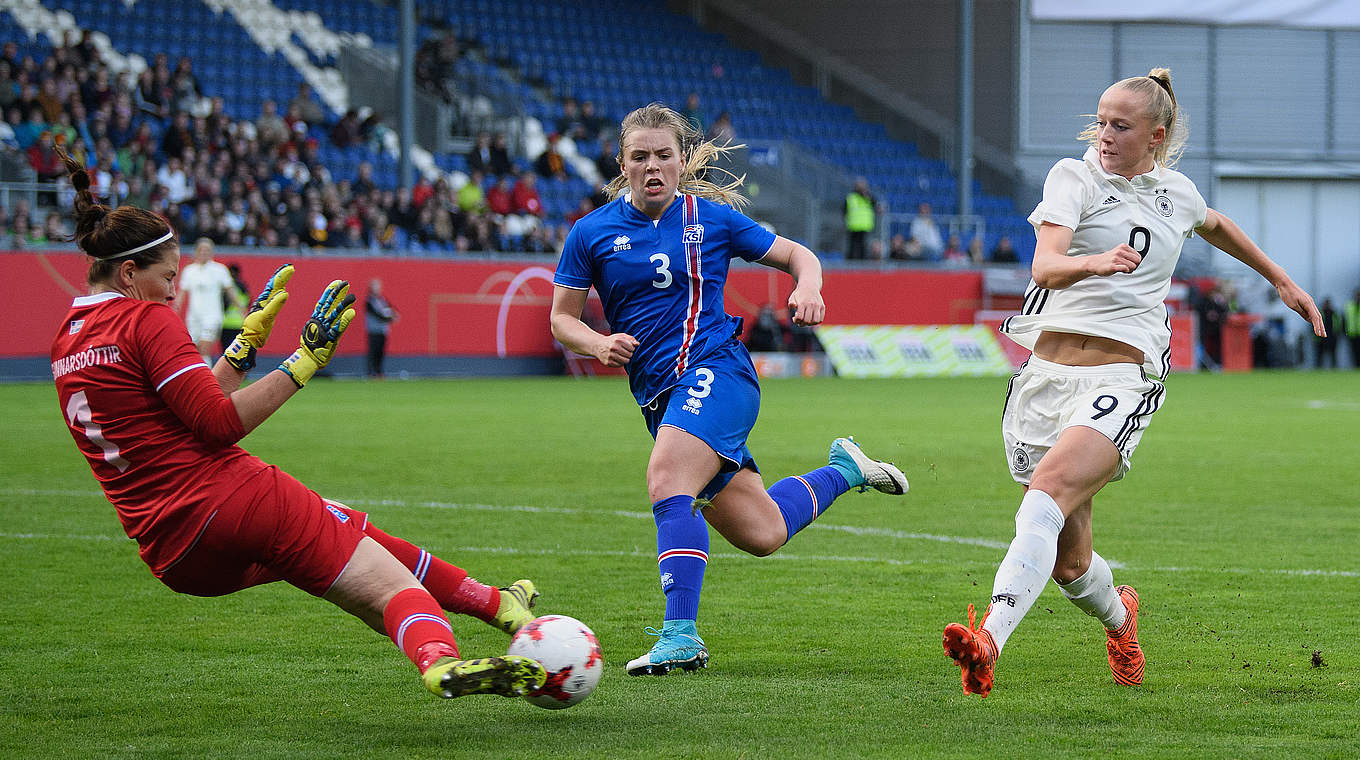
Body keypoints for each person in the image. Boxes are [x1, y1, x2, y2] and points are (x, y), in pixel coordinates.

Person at [48, 145, 546, 701]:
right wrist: (303, 361)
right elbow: (214, 424)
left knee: (353, 537)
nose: (172, 290)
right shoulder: (146, 317)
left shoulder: (67, 338)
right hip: (229, 497)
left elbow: (183, 412)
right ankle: (439, 662)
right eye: (168, 277)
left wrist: (241, 349)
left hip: (173, 552)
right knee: (391, 588)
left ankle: (499, 604)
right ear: (129, 271)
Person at [941, 68, 1325, 698]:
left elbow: (1216, 224)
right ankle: (1121, 618)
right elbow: (1045, 263)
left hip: (1123, 375)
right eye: (1101, 121)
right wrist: (1092, 262)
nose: (1105, 135)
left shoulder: (1175, 193)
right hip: (1043, 378)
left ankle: (989, 639)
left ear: (1156, 135)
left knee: (1047, 489)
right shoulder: (1075, 176)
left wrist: (1279, 278)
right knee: (1069, 562)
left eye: (1121, 125)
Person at [549, 103, 908, 677]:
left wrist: (809, 286)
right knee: (762, 532)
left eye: (664, 155)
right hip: (662, 398)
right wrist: (595, 343)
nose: (652, 167)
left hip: (718, 372)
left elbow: (797, 255)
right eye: (639, 157)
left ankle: (680, 634)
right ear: (622, 163)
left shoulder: (710, 219)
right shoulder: (591, 232)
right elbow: (561, 319)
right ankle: (847, 470)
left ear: (683, 160)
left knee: (667, 479)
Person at [176, 238, 234, 362]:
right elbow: (182, 292)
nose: (204, 252)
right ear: (196, 251)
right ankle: (199, 377)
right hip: (193, 317)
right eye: (201, 250)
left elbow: (230, 290)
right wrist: (174, 310)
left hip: (212, 316)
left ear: (212, 252)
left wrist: (242, 309)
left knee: (204, 348)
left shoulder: (220, 270)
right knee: (194, 350)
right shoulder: (189, 271)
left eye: (207, 250)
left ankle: (206, 379)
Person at [365, 277, 398, 378]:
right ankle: (371, 373)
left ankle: (379, 372)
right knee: (373, 352)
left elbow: (391, 309)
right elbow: (377, 315)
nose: (377, 288)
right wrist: (389, 318)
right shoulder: (369, 301)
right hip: (373, 331)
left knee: (380, 352)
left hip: (383, 331)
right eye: (375, 286)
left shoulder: (382, 300)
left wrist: (393, 315)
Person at [843, 177, 877, 261]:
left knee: (863, 246)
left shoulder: (869, 197)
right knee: (853, 245)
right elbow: (844, 210)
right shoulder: (851, 197)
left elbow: (875, 205)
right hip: (853, 225)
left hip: (865, 225)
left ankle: (863, 262)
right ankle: (851, 262)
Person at [218, 262, 248, 355]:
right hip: (240, 322)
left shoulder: (227, 287)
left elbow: (224, 303)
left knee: (226, 352)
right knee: (238, 352)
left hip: (226, 322)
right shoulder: (244, 287)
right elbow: (248, 302)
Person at [1345, 289, 1360, 368]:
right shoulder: (1350, 306)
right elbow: (1345, 319)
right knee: (1354, 352)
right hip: (1352, 334)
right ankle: (1356, 366)